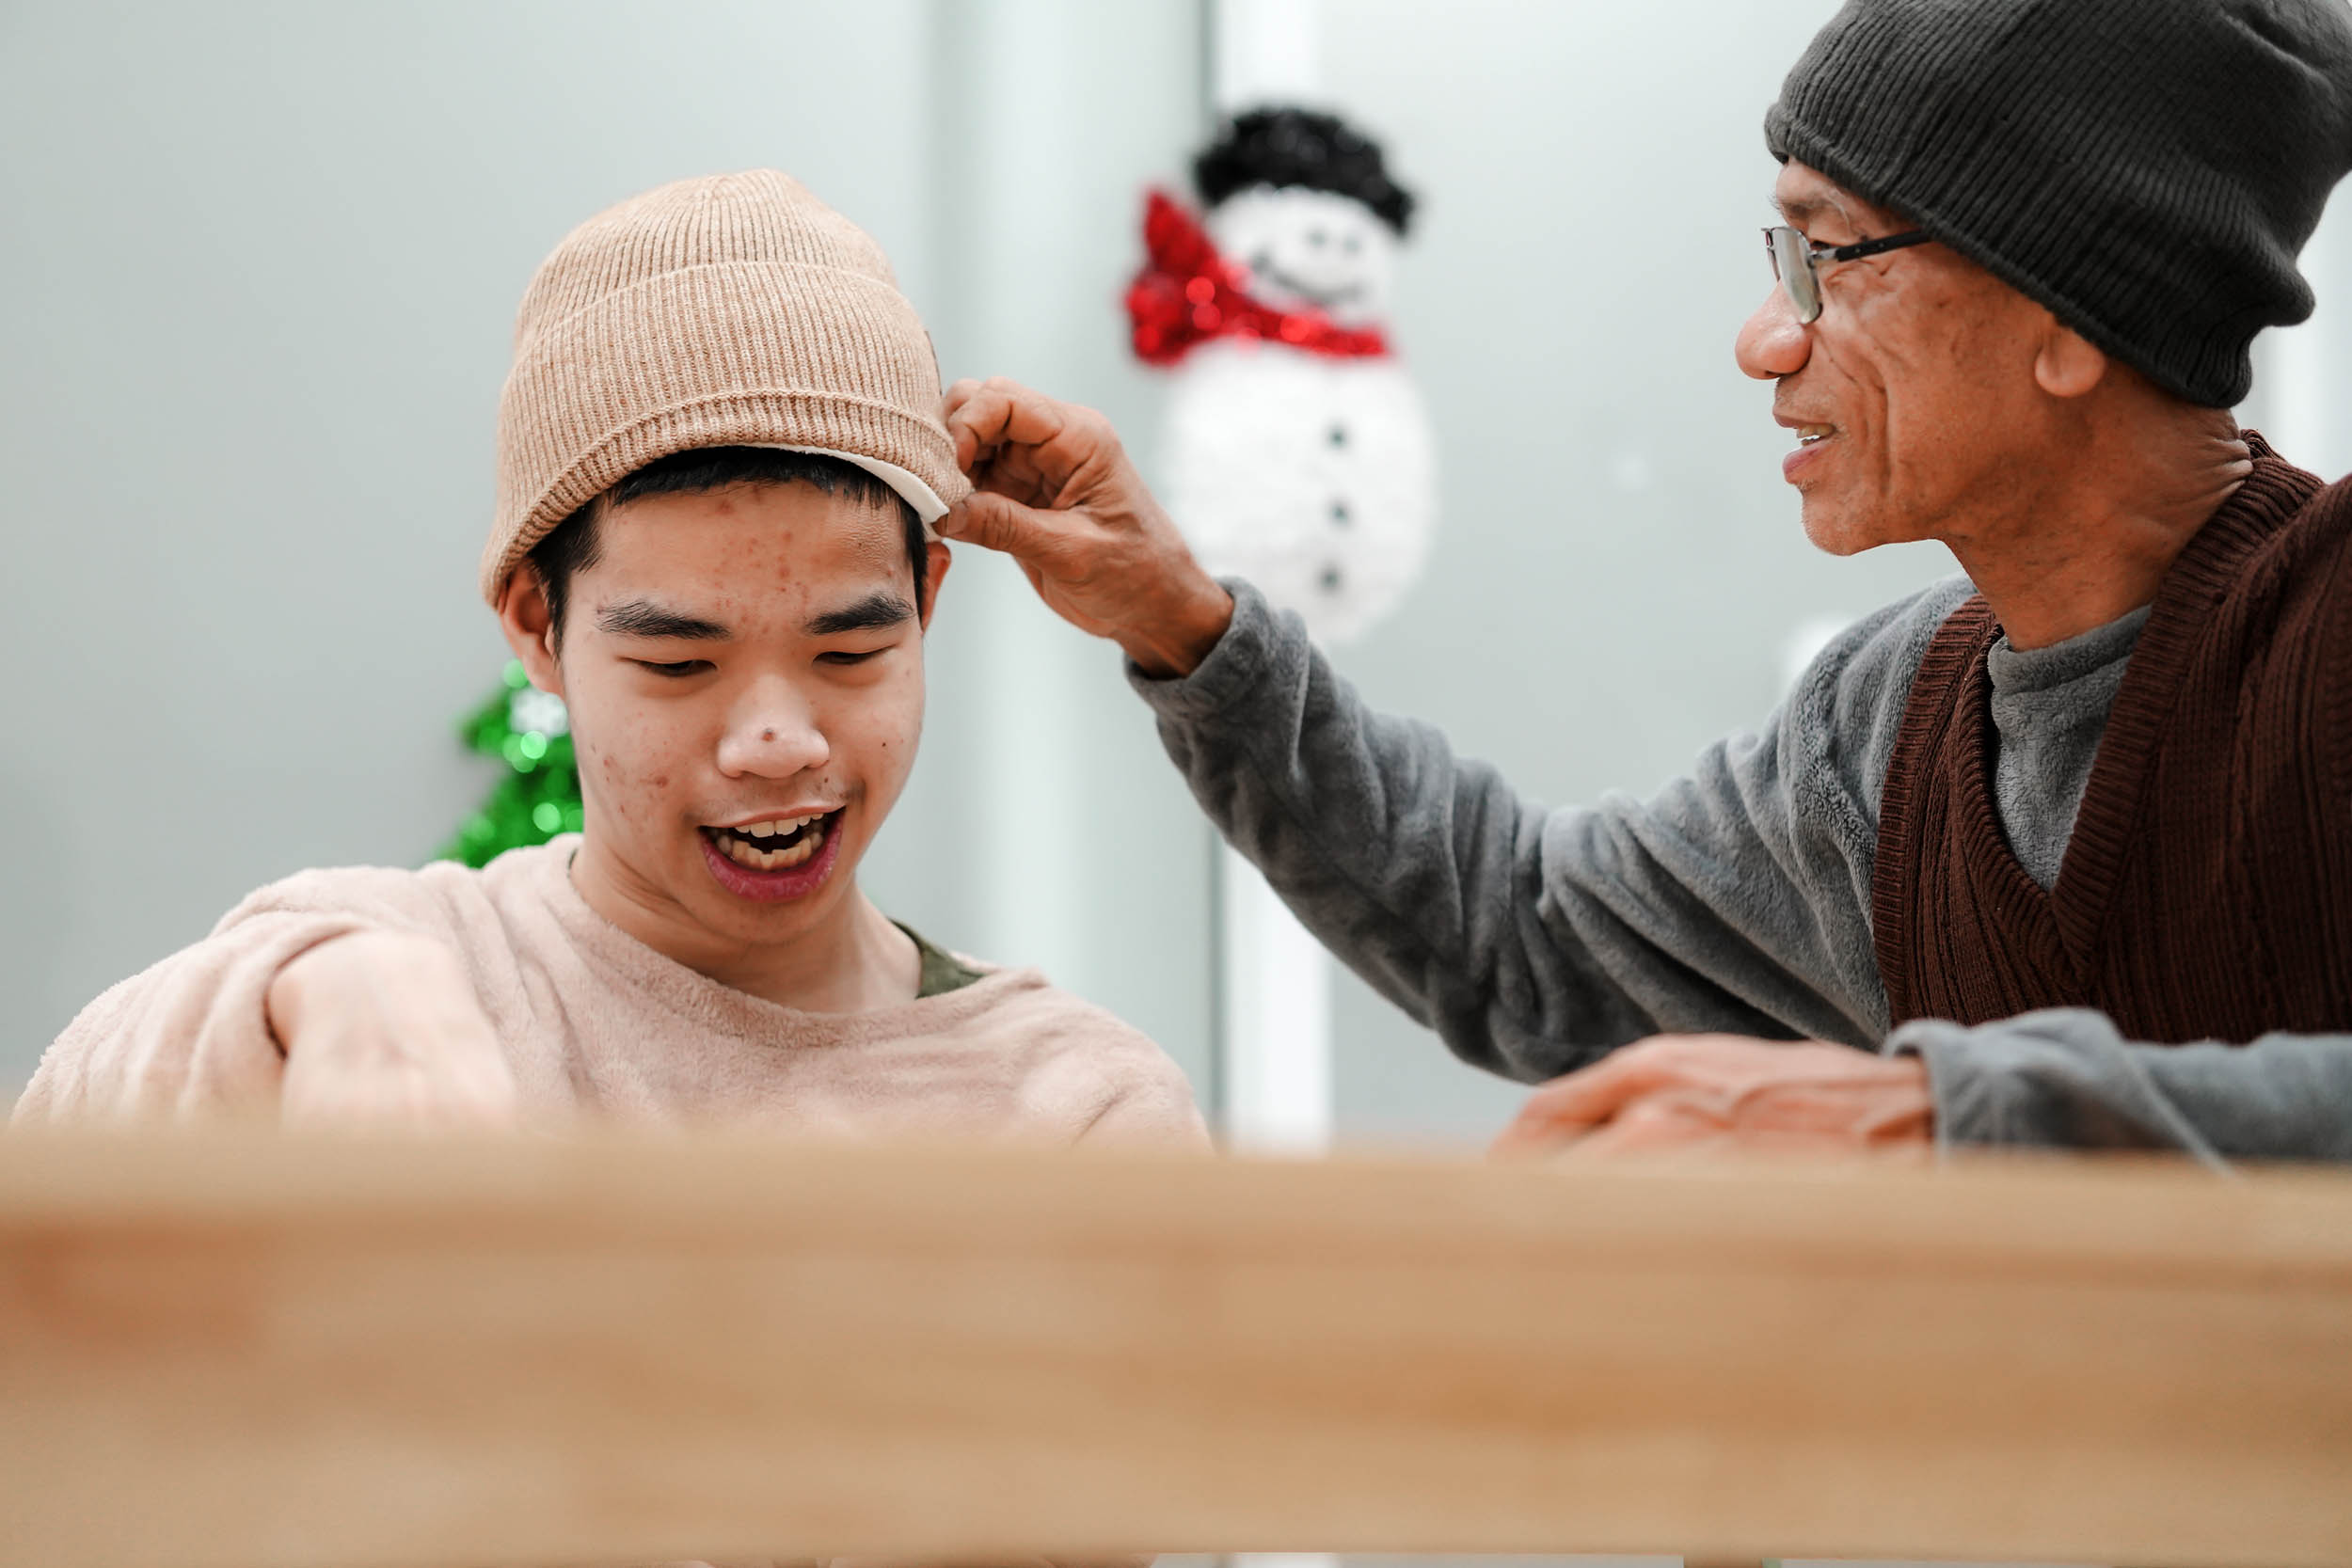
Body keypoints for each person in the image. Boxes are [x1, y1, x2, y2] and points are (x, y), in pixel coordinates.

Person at [932, 0, 2352, 1164]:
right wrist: (1182, 619)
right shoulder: (1885, 728)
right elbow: (1525, 932)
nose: (1762, 341)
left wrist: (1948, 1122)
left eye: (1829, 257)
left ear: (2068, 317)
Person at [15, 170, 1204, 1149]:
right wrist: (327, 990)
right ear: (537, 622)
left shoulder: (1074, 1105)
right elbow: (70, 1131)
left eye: (850, 647)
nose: (777, 739)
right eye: (681, 664)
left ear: (927, 601)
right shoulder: (405, 966)